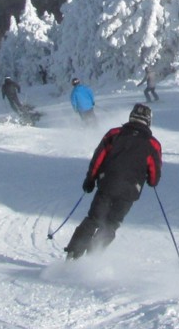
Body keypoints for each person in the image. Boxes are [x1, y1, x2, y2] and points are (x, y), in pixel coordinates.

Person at [65, 103, 162, 259]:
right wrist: (152, 181)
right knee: (111, 224)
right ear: (149, 121)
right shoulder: (153, 144)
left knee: (94, 219)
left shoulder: (114, 134)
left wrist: (90, 179)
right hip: (130, 191)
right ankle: (93, 257)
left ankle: (73, 254)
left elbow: (98, 158)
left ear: (131, 117)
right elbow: (154, 173)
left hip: (108, 184)